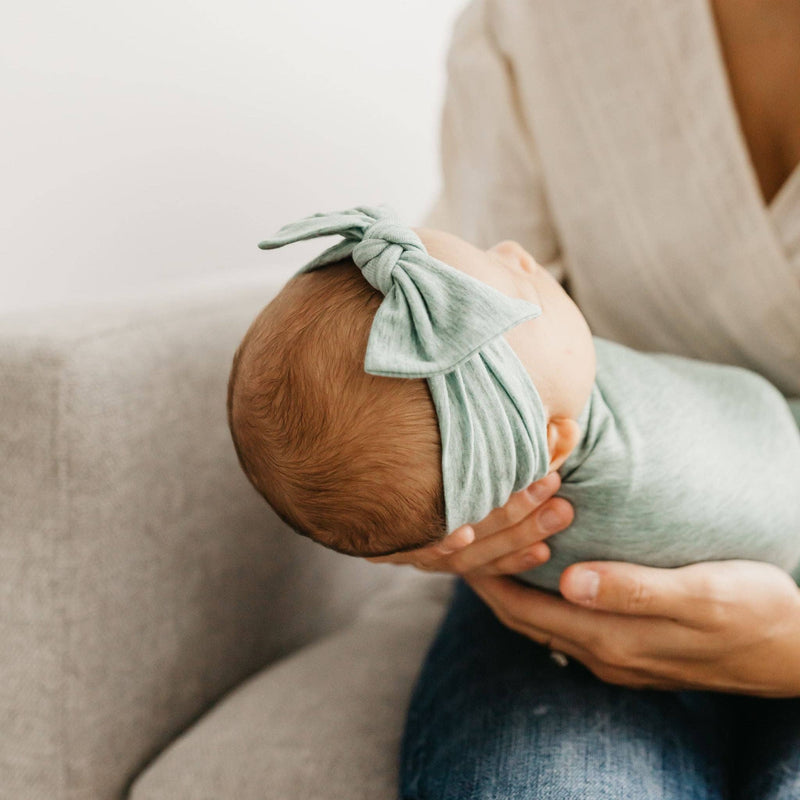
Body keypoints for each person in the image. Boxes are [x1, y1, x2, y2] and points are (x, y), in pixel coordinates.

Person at [369, 0, 800, 797]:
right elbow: (450, 323)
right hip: (579, 586)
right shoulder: (535, 21)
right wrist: (424, 512)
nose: (512, 258)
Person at [228, 209, 800, 596]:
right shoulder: (640, 473)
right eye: (517, 282)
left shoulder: (552, 401)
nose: (517, 252)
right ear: (553, 445)